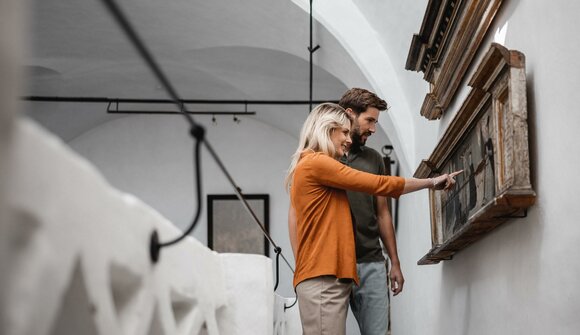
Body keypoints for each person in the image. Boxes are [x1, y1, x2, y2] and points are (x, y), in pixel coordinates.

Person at [285, 102, 460, 335]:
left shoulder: (312, 165)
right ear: (327, 129)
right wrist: (431, 182)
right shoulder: (316, 162)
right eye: (344, 132)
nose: (349, 139)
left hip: (327, 277)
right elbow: (378, 183)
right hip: (323, 279)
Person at [338, 87, 399, 335]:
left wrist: (394, 262)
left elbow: (383, 213)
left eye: (375, 121)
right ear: (350, 114)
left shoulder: (375, 159)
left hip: (372, 263)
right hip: (334, 266)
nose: (373, 129)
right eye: (370, 120)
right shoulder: (323, 157)